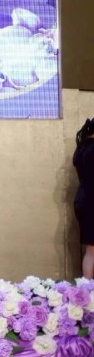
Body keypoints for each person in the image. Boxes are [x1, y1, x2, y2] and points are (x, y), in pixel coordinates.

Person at [74, 118, 94, 278]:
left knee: (91, 250)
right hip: (92, 200)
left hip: (83, 198)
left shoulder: (82, 148)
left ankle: (87, 288)